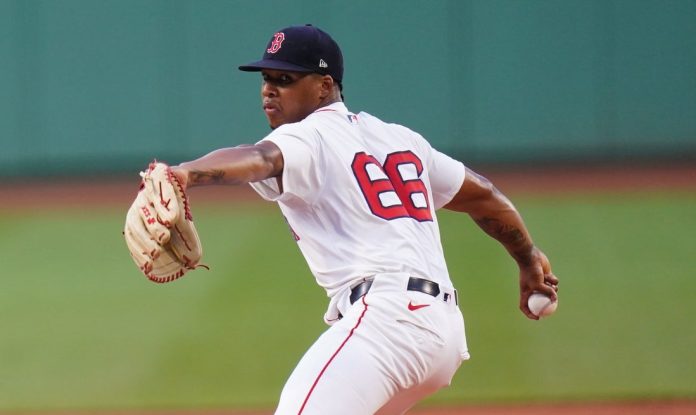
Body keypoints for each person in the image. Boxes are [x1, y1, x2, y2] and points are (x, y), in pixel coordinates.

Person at [170, 24, 559, 415]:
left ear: (324, 86)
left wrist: (183, 174)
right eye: (266, 78)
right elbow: (484, 196)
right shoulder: (399, 138)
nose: (269, 90)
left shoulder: (307, 136)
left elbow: (259, 158)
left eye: (285, 79)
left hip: (388, 324)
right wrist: (528, 258)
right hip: (441, 331)